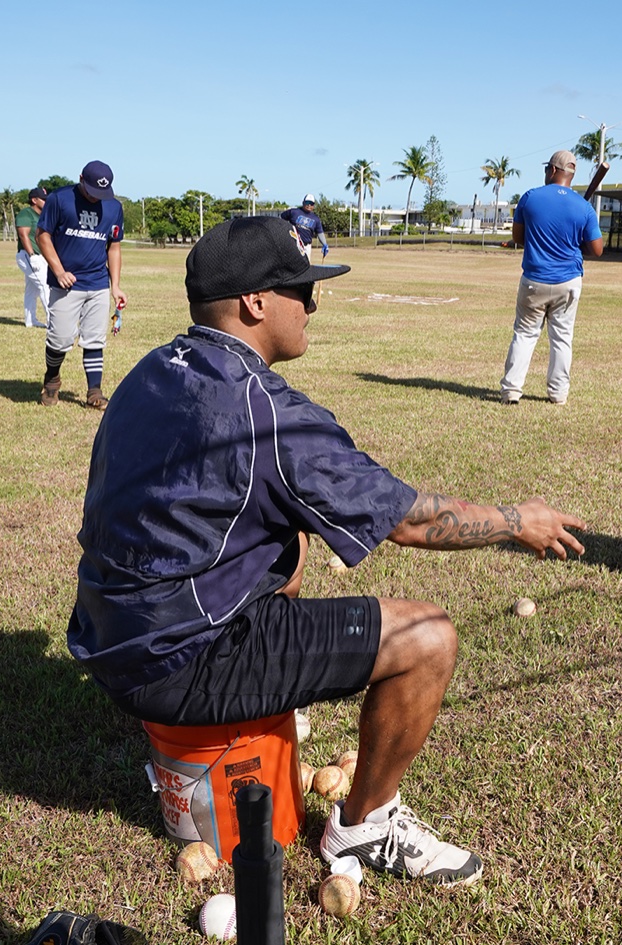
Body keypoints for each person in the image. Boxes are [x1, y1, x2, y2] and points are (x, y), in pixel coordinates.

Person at [67, 216, 585, 886]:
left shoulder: (150, 371)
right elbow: (408, 520)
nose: (312, 306)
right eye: (301, 291)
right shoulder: (265, 410)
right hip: (179, 660)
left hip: (109, 636)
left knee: (288, 545)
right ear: (256, 302)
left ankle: (260, 704)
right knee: (428, 637)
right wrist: (520, 520)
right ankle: (365, 826)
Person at [498, 150, 604, 406]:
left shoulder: (530, 198)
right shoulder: (584, 207)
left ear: (554, 170)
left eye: (547, 169)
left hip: (534, 278)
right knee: (562, 338)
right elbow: (597, 250)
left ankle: (511, 391)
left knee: (524, 334)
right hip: (568, 281)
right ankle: (558, 394)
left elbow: (518, 238)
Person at [35, 160, 126, 410]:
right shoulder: (60, 199)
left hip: (97, 283)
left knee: (95, 340)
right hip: (66, 285)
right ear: (81, 179)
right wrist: (59, 270)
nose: (97, 199)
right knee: (61, 338)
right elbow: (42, 236)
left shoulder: (113, 207)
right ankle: (52, 379)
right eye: (92, 192)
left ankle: (94, 392)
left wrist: (115, 285)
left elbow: (114, 246)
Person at [15, 187, 51, 328]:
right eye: (43, 199)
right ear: (34, 200)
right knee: (44, 286)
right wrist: (31, 255)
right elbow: (24, 235)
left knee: (32, 289)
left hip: (40, 256)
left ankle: (30, 321)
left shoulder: (44, 214)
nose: (46, 201)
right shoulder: (26, 214)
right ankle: (52, 321)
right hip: (28, 255)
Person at [280, 194, 329, 259]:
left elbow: (320, 232)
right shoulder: (293, 212)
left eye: (311, 204)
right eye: (307, 203)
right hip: (293, 244)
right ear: (303, 203)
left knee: (306, 267)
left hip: (306, 246)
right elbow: (281, 218)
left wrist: (325, 244)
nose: (309, 205)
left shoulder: (316, 219)